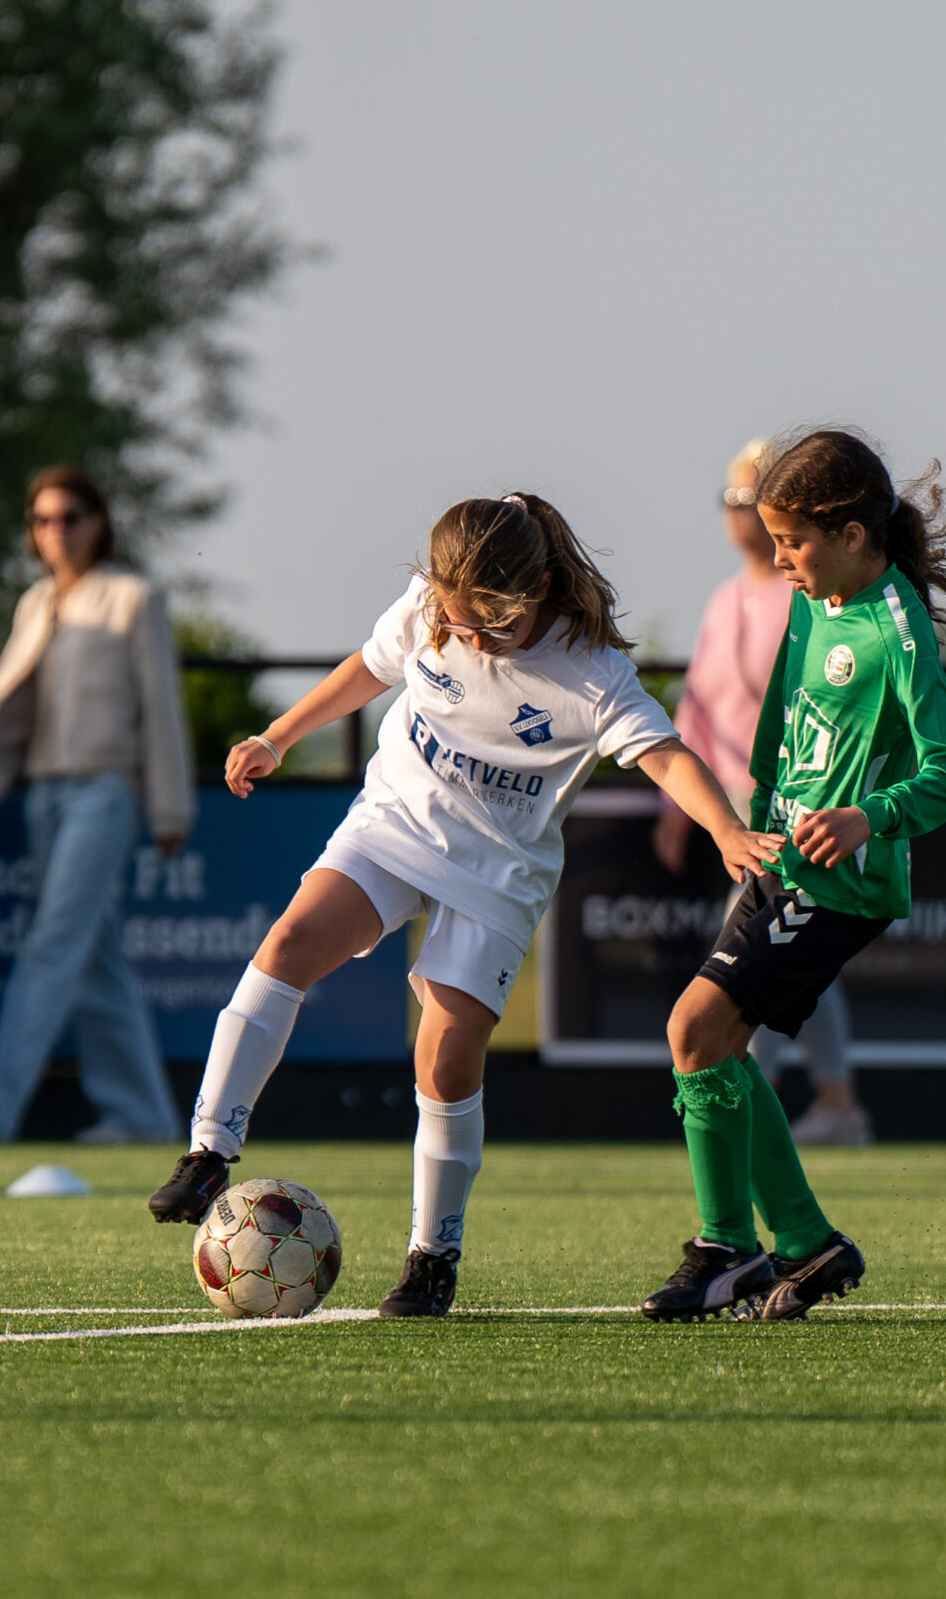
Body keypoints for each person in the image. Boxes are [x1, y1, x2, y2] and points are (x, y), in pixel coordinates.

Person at [144, 493, 776, 1319]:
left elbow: (667, 755)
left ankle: (431, 1256)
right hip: (395, 823)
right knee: (290, 941)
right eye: (457, 619)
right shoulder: (428, 606)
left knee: (443, 1058)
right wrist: (278, 735)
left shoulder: (591, 673)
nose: (471, 637)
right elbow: (368, 668)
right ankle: (208, 1149)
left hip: (499, 872)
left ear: (538, 590)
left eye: (492, 625)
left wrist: (727, 828)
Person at [644, 429, 946, 1323]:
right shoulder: (815, 600)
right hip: (782, 858)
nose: (780, 559)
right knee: (712, 1043)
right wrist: (753, 823)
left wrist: (869, 814)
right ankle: (802, 1241)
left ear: (852, 533)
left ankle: (727, 1247)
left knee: (693, 1028)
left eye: (793, 541)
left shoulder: (897, 628)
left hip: (840, 879)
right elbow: (781, 726)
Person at [0, 466, 195, 1144]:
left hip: (105, 792)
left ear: (98, 522)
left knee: (55, 940)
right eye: (43, 520)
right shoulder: (35, 602)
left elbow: (161, 707)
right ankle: (142, 1116)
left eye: (70, 517)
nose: (56, 531)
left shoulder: (134, 597)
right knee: (94, 957)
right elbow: (7, 717)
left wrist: (170, 810)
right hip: (43, 795)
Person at [655, 440, 873, 1146]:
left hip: (791, 808)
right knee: (778, 961)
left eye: (746, 499)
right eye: (727, 499)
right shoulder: (725, 598)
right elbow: (698, 703)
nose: (734, 513)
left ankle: (756, 1099)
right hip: (730, 804)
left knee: (750, 965)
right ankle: (834, 1101)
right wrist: (677, 806)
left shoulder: (809, 591)